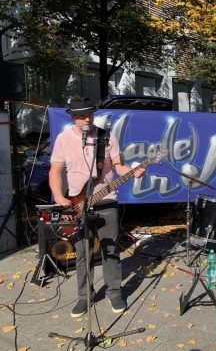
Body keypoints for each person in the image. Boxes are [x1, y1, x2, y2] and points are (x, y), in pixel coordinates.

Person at [49, 97, 145, 318]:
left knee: (110, 250)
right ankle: (85, 296)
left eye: (90, 114)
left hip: (107, 202)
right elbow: (55, 171)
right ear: (73, 117)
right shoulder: (64, 139)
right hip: (77, 204)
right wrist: (58, 196)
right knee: (82, 253)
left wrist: (134, 170)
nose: (87, 118)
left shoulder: (106, 136)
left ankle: (114, 292)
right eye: (82, 115)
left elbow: (119, 166)